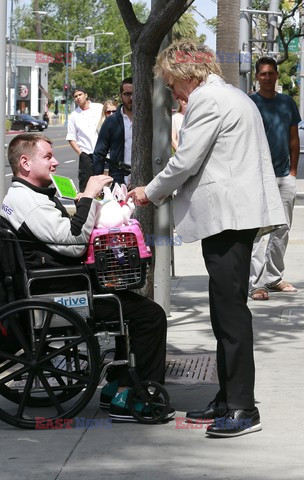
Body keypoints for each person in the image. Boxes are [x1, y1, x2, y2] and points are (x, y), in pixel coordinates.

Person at [127, 41, 286, 438]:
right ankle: (228, 396)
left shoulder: (208, 99)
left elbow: (185, 161)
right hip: (233, 217)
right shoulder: (226, 94)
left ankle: (242, 408)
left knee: (230, 315)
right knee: (223, 310)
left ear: (186, 74)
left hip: (229, 218)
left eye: (172, 83)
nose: (173, 92)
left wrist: (149, 191)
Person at [0, 133, 174, 424]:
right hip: (62, 290)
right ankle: (138, 399)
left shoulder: (24, 195)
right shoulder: (28, 201)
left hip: (58, 281)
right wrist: (90, 197)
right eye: (47, 156)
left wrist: (82, 204)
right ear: (25, 162)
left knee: (130, 302)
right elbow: (73, 240)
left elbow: (60, 232)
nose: (55, 161)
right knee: (150, 315)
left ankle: (117, 386)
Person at [249, 57, 301, 300]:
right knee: (259, 232)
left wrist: (293, 172)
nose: (267, 77)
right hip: (257, 177)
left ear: (277, 76)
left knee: (282, 229)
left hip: (283, 177)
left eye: (271, 73)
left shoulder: (287, 102)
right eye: (263, 74)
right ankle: (256, 283)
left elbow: (294, 138)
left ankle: (274, 277)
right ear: (257, 77)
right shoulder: (250, 103)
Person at [93, 78, 133, 185]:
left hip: (143, 180)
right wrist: (99, 183)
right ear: (121, 96)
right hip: (119, 179)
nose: (132, 97)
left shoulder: (147, 121)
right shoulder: (112, 121)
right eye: (127, 94)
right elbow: (99, 154)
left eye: (134, 93)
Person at [66, 86, 103, 192]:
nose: (78, 98)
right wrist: (80, 153)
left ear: (86, 95)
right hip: (86, 154)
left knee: (103, 183)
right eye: (75, 96)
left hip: (101, 153)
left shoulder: (98, 108)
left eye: (80, 95)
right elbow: (71, 137)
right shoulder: (74, 115)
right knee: (85, 185)